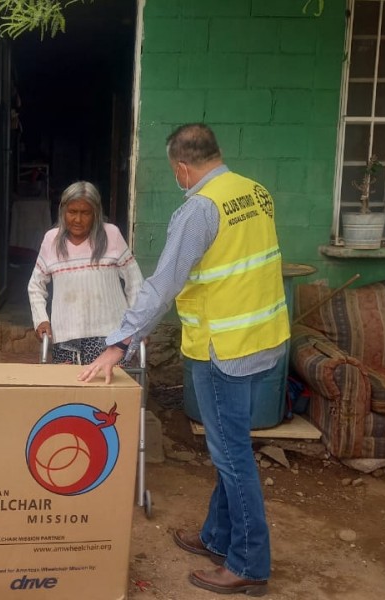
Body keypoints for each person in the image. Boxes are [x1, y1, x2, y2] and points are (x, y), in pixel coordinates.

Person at [79, 123, 289, 596]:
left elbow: (163, 284)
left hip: (223, 350)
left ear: (181, 167)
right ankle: (217, 536)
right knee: (230, 446)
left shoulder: (199, 209)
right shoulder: (255, 192)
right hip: (265, 339)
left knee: (232, 456)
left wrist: (120, 342)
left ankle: (249, 564)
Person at [27, 181, 143, 365]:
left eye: (85, 213)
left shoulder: (111, 234)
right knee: (70, 393)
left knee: (107, 392)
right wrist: (41, 319)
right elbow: (35, 285)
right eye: (72, 212)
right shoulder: (52, 240)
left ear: (96, 213)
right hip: (66, 337)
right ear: (63, 211)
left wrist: (136, 325)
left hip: (111, 336)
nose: (78, 220)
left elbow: (134, 281)